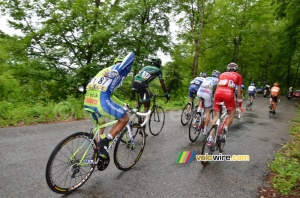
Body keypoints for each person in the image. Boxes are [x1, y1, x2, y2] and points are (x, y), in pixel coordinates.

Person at [84, 52, 135, 159]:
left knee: (101, 123)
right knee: (124, 118)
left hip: (88, 101)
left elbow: (109, 95)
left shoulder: (103, 71)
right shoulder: (120, 69)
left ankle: (99, 152)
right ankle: (105, 142)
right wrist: (117, 71)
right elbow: (132, 55)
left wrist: (122, 104)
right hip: (100, 102)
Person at [207, 62, 243, 146]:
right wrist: (239, 104)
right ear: (236, 69)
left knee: (216, 116)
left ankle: (210, 137)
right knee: (232, 113)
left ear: (227, 68)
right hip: (229, 94)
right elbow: (238, 91)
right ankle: (225, 128)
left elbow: (219, 86)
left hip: (218, 93)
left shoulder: (222, 74)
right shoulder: (238, 76)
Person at [196, 70, 220, 135]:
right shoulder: (218, 80)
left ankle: (199, 111)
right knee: (207, 112)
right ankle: (205, 130)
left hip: (199, 91)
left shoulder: (207, 78)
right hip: (207, 93)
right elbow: (216, 92)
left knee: (201, 100)